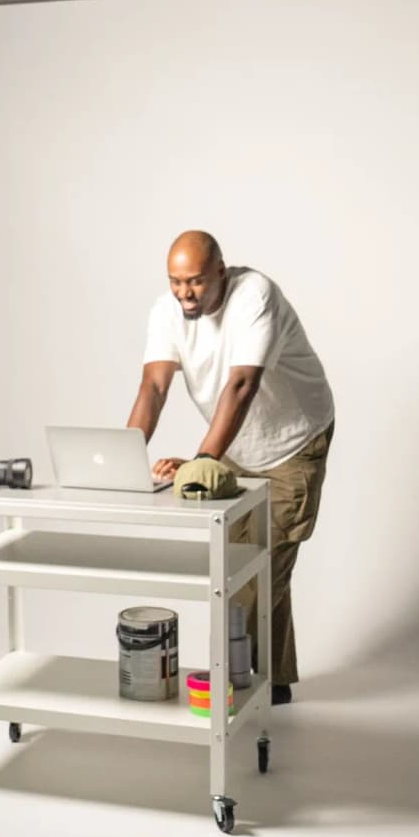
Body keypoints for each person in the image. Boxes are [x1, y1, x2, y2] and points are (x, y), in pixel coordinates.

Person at [126, 230, 335, 705]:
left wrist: (202, 462)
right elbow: (153, 387)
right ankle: (274, 687)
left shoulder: (256, 295)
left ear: (221, 270)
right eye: (176, 282)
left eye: (196, 281)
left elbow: (242, 384)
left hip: (293, 443)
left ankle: (235, 689)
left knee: (257, 575)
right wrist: (125, 458)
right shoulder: (167, 311)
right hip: (234, 447)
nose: (185, 293)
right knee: (246, 565)